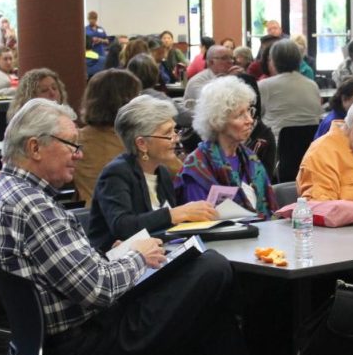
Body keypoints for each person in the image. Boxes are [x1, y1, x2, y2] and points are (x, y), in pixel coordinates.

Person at [0, 98, 287, 355]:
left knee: (205, 297)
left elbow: (77, 274)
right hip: (79, 340)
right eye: (72, 145)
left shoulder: (5, 195)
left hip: (50, 335)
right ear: (34, 148)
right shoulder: (34, 206)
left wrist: (124, 256)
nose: (79, 155)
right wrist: (138, 256)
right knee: (211, 271)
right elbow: (100, 290)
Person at [88, 96, 217, 250]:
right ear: (142, 143)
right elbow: (122, 226)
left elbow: (167, 229)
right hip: (122, 264)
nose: (176, 139)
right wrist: (174, 214)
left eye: (175, 130)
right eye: (168, 133)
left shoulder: (161, 171)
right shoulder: (116, 173)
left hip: (162, 254)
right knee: (214, 263)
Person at [178, 76, 277, 217]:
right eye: (239, 115)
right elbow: (198, 221)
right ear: (218, 122)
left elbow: (269, 211)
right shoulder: (197, 167)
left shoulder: (250, 159)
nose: (249, 120)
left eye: (249, 111)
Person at [74, 68, 141, 206]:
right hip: (134, 216)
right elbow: (179, 172)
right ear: (129, 101)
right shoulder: (139, 142)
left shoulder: (74, 140)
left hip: (88, 216)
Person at [258, 39, 322, 139]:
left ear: (274, 61)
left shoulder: (265, 85)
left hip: (276, 148)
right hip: (309, 148)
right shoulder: (313, 85)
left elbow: (253, 117)